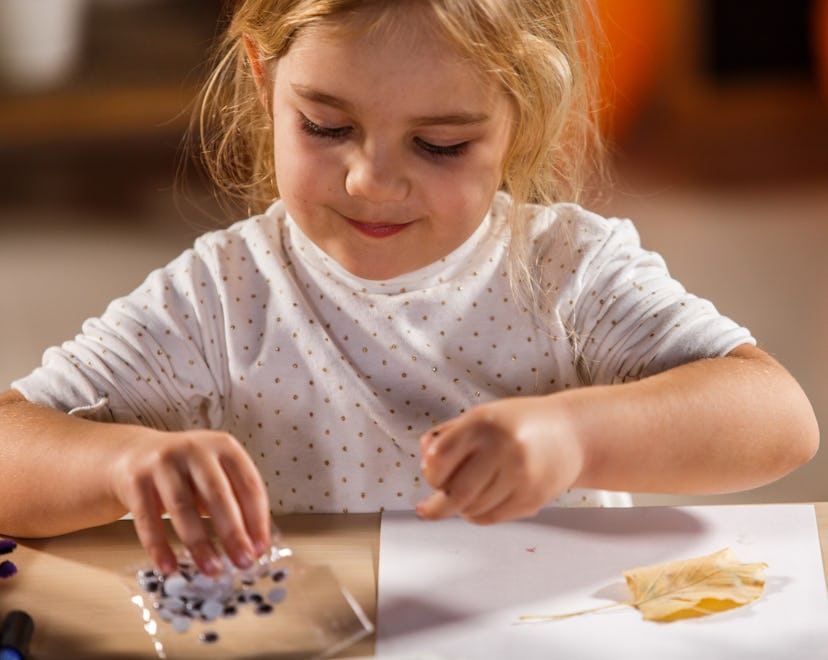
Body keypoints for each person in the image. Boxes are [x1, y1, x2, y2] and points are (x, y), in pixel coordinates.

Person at [0, 0, 818, 578]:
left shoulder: (570, 273)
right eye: (325, 127)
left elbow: (779, 421)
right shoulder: (221, 297)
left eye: (439, 144)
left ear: (521, 117)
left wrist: (577, 434)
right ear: (262, 81)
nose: (372, 181)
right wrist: (124, 463)